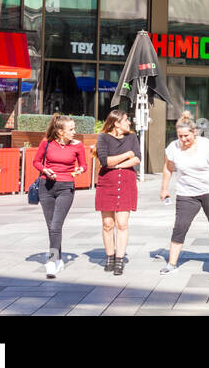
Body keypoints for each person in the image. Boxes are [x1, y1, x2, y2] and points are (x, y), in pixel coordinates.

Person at [159, 112, 209, 275]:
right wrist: (164, 188)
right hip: (186, 192)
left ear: (194, 132)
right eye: (180, 136)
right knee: (180, 227)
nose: (183, 139)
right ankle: (171, 264)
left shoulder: (206, 145)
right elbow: (168, 168)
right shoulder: (173, 148)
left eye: (186, 135)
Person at [32, 113, 87, 279]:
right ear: (60, 132)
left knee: (56, 225)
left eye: (74, 128)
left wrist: (80, 170)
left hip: (66, 187)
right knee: (52, 227)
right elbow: (36, 161)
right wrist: (44, 170)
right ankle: (59, 259)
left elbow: (84, 165)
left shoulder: (77, 146)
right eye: (70, 129)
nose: (74, 132)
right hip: (46, 186)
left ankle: (51, 261)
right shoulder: (46, 143)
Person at [94, 108, 141, 276]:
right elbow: (105, 161)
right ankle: (110, 257)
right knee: (108, 224)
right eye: (126, 120)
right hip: (107, 183)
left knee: (122, 223)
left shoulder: (132, 137)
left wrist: (118, 165)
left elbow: (137, 159)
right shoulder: (103, 138)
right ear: (116, 123)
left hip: (127, 183)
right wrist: (126, 154)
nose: (129, 122)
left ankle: (119, 259)